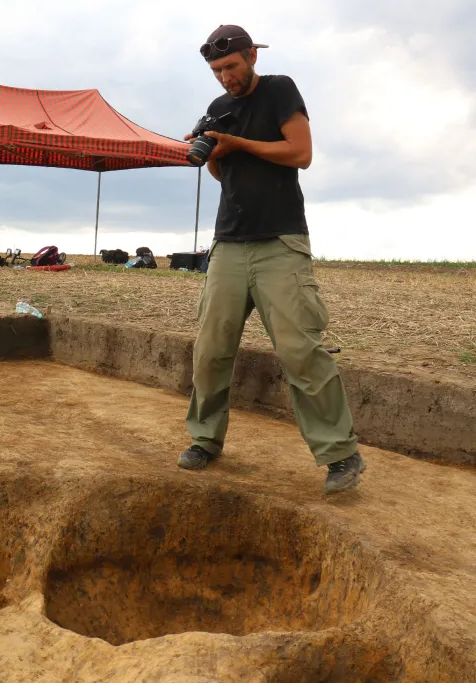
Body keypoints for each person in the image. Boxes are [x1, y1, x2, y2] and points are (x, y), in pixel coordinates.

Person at [179, 25, 366, 494]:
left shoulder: (280, 89)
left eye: (232, 67)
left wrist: (240, 143)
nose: (225, 78)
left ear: (251, 57)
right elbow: (224, 174)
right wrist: (215, 150)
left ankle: (341, 456)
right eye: (217, 71)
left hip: (280, 242)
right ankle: (204, 439)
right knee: (210, 350)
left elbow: (300, 153)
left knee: (300, 350)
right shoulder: (219, 109)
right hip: (229, 243)